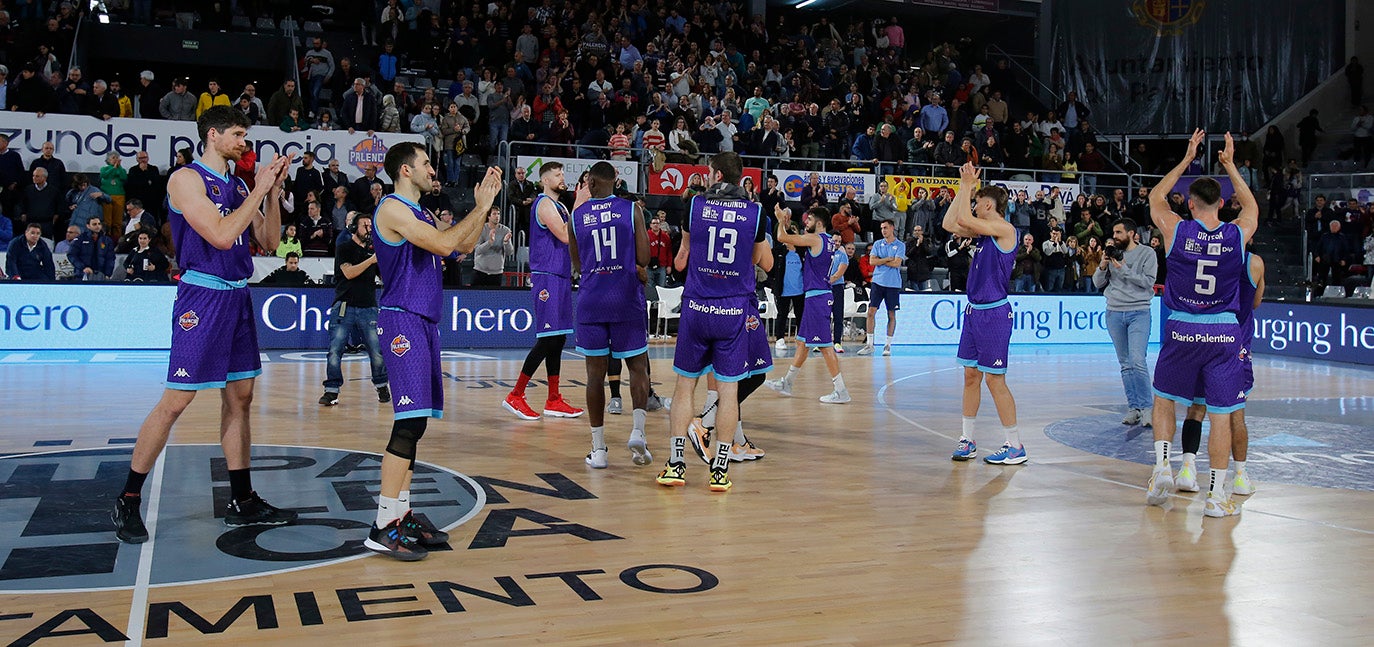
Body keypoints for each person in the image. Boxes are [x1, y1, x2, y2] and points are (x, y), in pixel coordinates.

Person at [111, 106, 295, 545]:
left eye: (246, 135)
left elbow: (269, 242)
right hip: (203, 294)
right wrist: (258, 188)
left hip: (237, 294)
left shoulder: (235, 184)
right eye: (237, 134)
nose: (244, 142)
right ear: (212, 136)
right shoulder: (185, 180)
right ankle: (128, 497)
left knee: (241, 397)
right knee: (177, 400)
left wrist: (269, 193)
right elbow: (218, 234)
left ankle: (242, 498)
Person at [366, 142, 503, 560]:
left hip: (423, 318)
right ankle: (382, 524)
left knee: (418, 423)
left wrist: (485, 207)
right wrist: (480, 207)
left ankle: (401, 512)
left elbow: (461, 246)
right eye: (426, 163)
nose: (432, 168)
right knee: (406, 424)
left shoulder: (421, 213)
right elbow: (446, 246)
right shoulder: (392, 209)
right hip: (402, 319)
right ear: (406, 170)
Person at [1145, 130, 1259, 519]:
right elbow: (1252, 208)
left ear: (1190, 204)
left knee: (1164, 399)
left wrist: (1187, 157)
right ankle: (1216, 496)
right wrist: (1230, 165)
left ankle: (1162, 467)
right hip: (1224, 332)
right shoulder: (1236, 234)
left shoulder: (1176, 229)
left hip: (1181, 327)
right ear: (1222, 204)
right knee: (1221, 416)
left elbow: (1155, 197)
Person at [659, 151, 773, 492]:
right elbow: (763, 261)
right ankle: (720, 469)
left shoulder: (694, 207)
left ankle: (676, 464)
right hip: (733, 311)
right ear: (741, 178)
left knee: (684, 387)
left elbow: (681, 262)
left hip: (697, 308)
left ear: (715, 174)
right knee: (728, 391)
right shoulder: (755, 213)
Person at [568, 162, 654, 469]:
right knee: (637, 368)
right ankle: (638, 432)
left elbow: (577, 264)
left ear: (589, 182)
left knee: (594, 376)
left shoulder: (576, 217)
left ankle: (600, 449)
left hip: (592, 300)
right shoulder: (632, 210)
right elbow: (644, 258)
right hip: (626, 298)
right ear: (615, 181)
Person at [943, 161, 1024, 465]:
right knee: (970, 376)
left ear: (988, 204)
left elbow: (964, 216)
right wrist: (962, 189)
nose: (974, 206)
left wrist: (967, 187)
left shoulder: (1003, 229)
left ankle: (1015, 445)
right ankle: (967, 439)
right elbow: (951, 223)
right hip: (974, 312)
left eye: (978, 202)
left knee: (995, 380)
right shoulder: (983, 233)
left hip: (994, 313)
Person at [1175, 251, 1265, 496]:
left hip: (1203, 337)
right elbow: (1256, 302)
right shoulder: (1254, 263)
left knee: (1195, 409)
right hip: (1236, 342)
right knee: (1235, 414)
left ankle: (1187, 468)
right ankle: (1239, 476)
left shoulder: (1204, 259)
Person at [502, 162, 585, 420]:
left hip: (560, 276)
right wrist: (580, 204)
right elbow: (563, 234)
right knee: (548, 339)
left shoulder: (559, 206)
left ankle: (553, 399)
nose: (563, 178)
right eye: (558, 175)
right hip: (546, 277)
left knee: (558, 339)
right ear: (545, 180)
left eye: (563, 173)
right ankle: (515, 395)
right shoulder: (543, 204)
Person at [766, 206, 851, 403]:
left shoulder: (816, 239)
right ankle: (787, 382)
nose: (806, 222)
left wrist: (780, 220)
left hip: (817, 298)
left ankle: (841, 391)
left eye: (809, 219)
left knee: (825, 346)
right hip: (818, 295)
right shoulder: (830, 241)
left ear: (819, 223)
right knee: (802, 343)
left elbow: (781, 238)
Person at [317, 213, 390, 405]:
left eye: (370, 225)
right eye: (365, 225)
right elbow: (348, 273)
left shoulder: (375, 252)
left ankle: (382, 386)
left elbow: (385, 279)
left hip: (368, 306)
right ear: (353, 228)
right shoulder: (345, 248)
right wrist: (371, 261)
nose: (368, 228)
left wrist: (386, 260)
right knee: (335, 350)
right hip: (345, 305)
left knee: (376, 350)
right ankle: (331, 390)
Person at [1093, 218, 1159, 426]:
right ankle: (1134, 407)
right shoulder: (1112, 255)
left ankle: (1148, 408)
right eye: (1114, 232)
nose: (1115, 236)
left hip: (1139, 312)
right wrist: (1103, 264)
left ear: (1131, 234)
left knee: (1137, 360)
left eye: (1119, 232)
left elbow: (1148, 283)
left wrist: (1122, 268)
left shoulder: (1147, 253)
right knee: (1125, 364)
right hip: (1114, 313)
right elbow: (1097, 283)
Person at [857, 220, 906, 356]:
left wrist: (881, 260)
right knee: (871, 312)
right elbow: (872, 261)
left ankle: (888, 345)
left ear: (892, 228)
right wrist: (887, 259)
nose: (883, 230)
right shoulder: (878, 243)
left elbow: (897, 263)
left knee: (891, 314)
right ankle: (870, 345)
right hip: (877, 282)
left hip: (893, 284)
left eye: (885, 228)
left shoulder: (900, 245)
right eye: (881, 228)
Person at [471, 206, 514, 286]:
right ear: (488, 216)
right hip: (480, 271)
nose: (497, 216)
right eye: (494, 214)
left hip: (497, 273)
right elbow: (478, 250)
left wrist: (506, 242)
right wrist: (490, 242)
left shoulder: (505, 230)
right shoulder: (481, 229)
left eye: (498, 214)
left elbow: (509, 252)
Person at [69, 215, 115, 280]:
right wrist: (83, 267)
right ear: (88, 226)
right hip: (82, 275)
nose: (97, 226)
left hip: (101, 275)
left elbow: (110, 258)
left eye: (99, 224)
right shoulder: (80, 239)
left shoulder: (107, 240)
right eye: (94, 224)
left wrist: (108, 274)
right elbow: (71, 255)